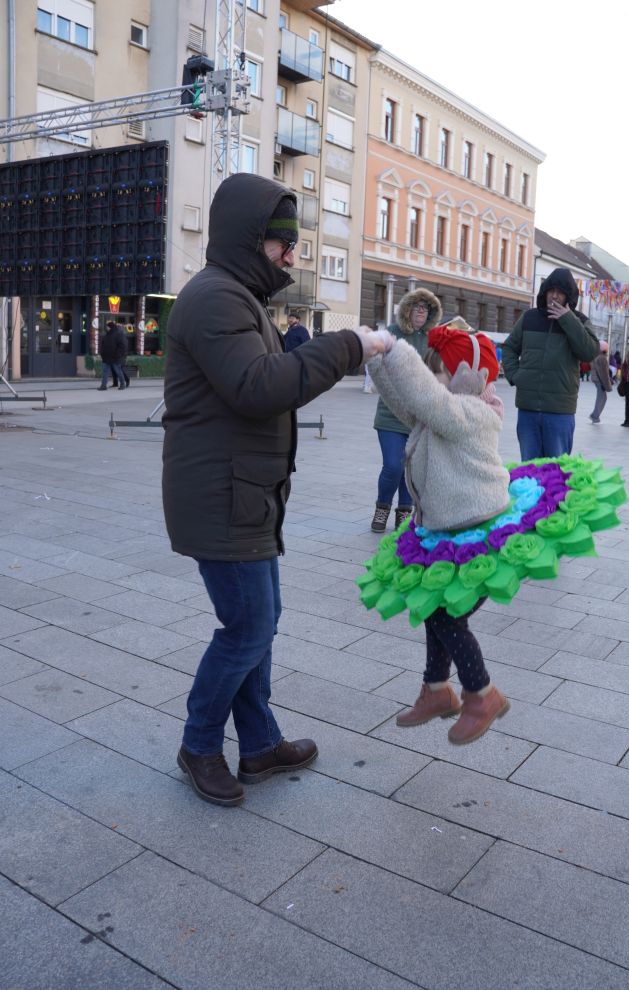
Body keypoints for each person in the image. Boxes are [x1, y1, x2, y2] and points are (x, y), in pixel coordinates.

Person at [161, 173, 388, 807]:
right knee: (249, 626)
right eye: (280, 244)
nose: (290, 256)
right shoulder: (213, 299)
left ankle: (258, 743)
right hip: (222, 496)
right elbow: (259, 386)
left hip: (246, 493)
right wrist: (349, 346)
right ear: (247, 239)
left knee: (258, 623)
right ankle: (199, 743)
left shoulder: (237, 296)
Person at [366, 324, 510, 744]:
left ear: (471, 376)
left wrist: (394, 348)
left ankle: (482, 694)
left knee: (445, 615)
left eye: (439, 375)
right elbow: (405, 401)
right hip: (446, 534)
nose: (432, 384)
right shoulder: (443, 413)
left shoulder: (472, 414)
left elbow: (425, 397)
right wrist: (374, 361)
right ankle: (436, 691)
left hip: (477, 538)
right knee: (436, 610)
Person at [501, 268, 599, 459]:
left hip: (559, 412)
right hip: (528, 410)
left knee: (557, 472)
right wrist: (515, 376)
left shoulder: (579, 321)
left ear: (568, 296)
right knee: (530, 472)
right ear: (544, 291)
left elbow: (589, 352)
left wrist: (567, 319)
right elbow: (509, 348)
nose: (554, 296)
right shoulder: (529, 318)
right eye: (551, 290)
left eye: (560, 292)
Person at [371, 288, 442, 533]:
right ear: (407, 310)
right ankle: (382, 508)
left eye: (426, 308)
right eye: (417, 306)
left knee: (411, 469)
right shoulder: (392, 334)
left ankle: (404, 513)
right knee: (393, 465)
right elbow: (376, 362)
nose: (422, 311)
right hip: (390, 414)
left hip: (418, 416)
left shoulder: (432, 338)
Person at [97, 321, 127, 390]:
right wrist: (102, 353)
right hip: (106, 357)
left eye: (107, 326)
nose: (106, 328)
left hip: (114, 358)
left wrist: (117, 354)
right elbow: (103, 345)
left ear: (110, 327)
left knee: (118, 371)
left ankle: (123, 384)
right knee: (105, 372)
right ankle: (103, 386)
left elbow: (122, 346)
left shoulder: (118, 334)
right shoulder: (107, 335)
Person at [588, 340, 612, 424]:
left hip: (596, 378)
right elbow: (603, 373)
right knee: (602, 397)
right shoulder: (602, 357)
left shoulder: (596, 355)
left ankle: (595, 415)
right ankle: (595, 416)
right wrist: (607, 385)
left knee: (602, 397)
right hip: (600, 379)